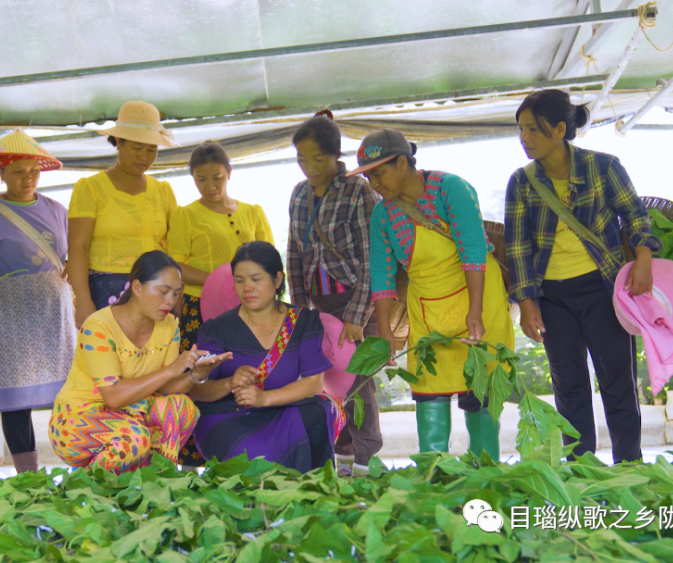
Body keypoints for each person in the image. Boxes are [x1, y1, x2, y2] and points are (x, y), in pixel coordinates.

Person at [505, 89, 659, 464]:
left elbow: (635, 216)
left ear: (560, 129)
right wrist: (527, 304)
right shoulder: (522, 183)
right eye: (521, 130)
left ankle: (629, 464)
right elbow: (517, 247)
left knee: (617, 381)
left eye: (532, 130)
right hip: (552, 299)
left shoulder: (603, 167)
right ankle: (580, 469)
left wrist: (643, 257)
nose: (524, 139)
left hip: (603, 291)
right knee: (569, 386)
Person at [356, 129, 514, 462]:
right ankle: (434, 473)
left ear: (402, 163)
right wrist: (385, 333)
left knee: (480, 391)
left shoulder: (449, 188)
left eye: (378, 172)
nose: (374, 183)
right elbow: (382, 277)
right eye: (368, 176)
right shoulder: (382, 215)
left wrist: (475, 312)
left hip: (478, 297)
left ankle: (487, 470)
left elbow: (473, 250)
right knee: (428, 392)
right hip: (428, 310)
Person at [49, 251, 231, 474]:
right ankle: (90, 484)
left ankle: (158, 476)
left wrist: (197, 374)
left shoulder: (169, 325)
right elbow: (114, 397)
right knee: (136, 439)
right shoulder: (99, 326)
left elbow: (166, 389)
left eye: (176, 293)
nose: (170, 301)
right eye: (163, 291)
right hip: (77, 422)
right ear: (137, 287)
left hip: (133, 415)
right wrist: (172, 370)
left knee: (182, 408)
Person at [188, 241, 345, 472]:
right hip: (229, 417)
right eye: (239, 280)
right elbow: (198, 391)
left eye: (256, 279)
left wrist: (264, 399)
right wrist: (229, 383)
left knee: (319, 408)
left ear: (277, 280)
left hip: (281, 409)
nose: (247, 288)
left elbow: (314, 383)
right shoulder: (217, 329)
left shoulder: (302, 321)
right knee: (254, 456)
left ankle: (314, 487)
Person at [0, 129, 74, 474]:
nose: (27, 178)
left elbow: (70, 258)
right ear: (1, 173)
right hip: (9, 318)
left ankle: (80, 462)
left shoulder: (57, 210)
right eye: (18, 172)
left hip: (55, 314)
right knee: (16, 400)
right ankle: (29, 476)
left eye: (33, 171)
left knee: (71, 392)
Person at [286, 110, 381, 476]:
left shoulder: (358, 189)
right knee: (327, 386)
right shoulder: (299, 194)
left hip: (356, 302)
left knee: (359, 386)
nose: (309, 167)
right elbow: (295, 251)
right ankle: (340, 460)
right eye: (301, 159)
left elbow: (373, 256)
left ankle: (364, 461)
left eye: (318, 158)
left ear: (336, 155)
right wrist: (299, 311)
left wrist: (357, 317)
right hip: (318, 305)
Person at [66, 101, 178, 329]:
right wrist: (83, 300)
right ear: (118, 142)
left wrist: (175, 294)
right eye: (137, 148)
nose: (144, 157)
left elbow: (174, 249)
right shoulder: (91, 188)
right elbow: (77, 247)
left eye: (152, 149)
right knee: (110, 361)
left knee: (155, 361)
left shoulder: (163, 191)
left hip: (156, 293)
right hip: (105, 292)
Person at [167, 141, 274, 352]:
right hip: (200, 305)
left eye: (217, 178)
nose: (210, 186)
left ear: (229, 173)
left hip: (250, 303)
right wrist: (218, 283)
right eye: (201, 179)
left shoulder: (253, 212)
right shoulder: (185, 215)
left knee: (248, 365)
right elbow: (175, 266)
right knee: (202, 369)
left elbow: (269, 261)